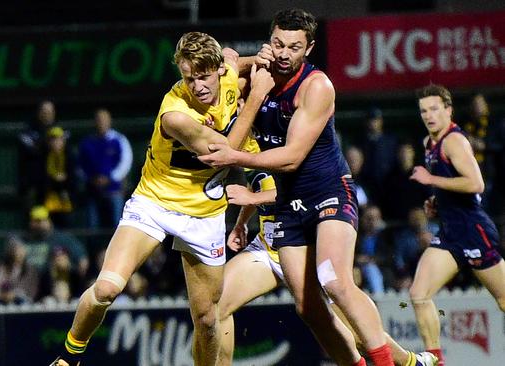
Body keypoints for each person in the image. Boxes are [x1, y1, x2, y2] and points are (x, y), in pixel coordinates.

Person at [49, 31, 271, 366]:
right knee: (107, 288)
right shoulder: (175, 114)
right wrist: (256, 98)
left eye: (204, 76)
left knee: (208, 320)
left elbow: (236, 60)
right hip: (155, 204)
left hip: (205, 214)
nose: (197, 86)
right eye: (189, 78)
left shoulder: (225, 72)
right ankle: (68, 357)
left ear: (217, 70)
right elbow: (226, 153)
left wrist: (264, 63)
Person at [199, 8, 398, 365]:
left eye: (294, 47)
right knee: (308, 309)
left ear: (308, 49)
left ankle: (388, 361)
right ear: (269, 41)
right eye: (278, 44)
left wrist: (233, 158)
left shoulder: (316, 86)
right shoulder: (260, 71)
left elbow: (291, 158)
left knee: (335, 281)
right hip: (289, 206)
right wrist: (249, 61)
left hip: (329, 193)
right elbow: (220, 61)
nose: (284, 54)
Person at [218, 172, 437, 366]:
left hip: (304, 247)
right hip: (268, 246)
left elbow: (298, 188)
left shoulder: (283, 133)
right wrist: (241, 222)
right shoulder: (245, 136)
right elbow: (257, 182)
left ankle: (409, 362)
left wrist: (252, 197)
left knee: (356, 334)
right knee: (214, 307)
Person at [408, 84, 505, 366]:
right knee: (418, 294)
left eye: (434, 109)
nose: (429, 115)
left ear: (448, 110)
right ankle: (436, 361)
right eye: (424, 111)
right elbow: (454, 185)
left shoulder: (454, 141)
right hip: (450, 231)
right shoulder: (428, 143)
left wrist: (432, 181)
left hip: (474, 230)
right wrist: (438, 202)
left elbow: (476, 183)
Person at [78, 108, 133, 229]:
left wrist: (110, 178)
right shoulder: (87, 142)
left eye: (104, 119)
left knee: (117, 223)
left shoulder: (119, 140)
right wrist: (91, 178)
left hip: (114, 189)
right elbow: (81, 166)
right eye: (98, 120)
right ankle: (94, 248)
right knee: (92, 224)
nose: (101, 122)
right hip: (93, 190)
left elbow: (125, 162)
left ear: (110, 121)